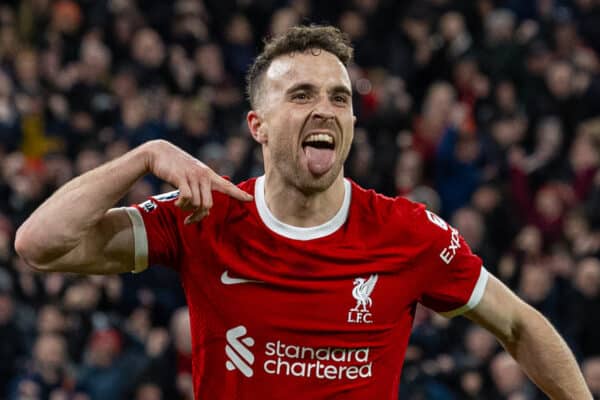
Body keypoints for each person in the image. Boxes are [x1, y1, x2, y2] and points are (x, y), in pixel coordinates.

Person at [15, 25, 591, 399]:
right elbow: (39, 244)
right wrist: (145, 156)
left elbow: (519, 324)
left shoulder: (407, 232)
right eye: (301, 95)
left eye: (339, 98)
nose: (325, 109)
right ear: (257, 126)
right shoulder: (203, 216)